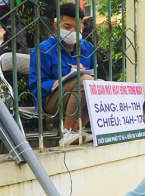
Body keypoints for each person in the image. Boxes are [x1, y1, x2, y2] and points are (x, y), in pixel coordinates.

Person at [29, 3, 94, 146]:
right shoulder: (43, 50)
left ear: (82, 26)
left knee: (97, 84)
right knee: (82, 80)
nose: (72, 32)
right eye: (67, 27)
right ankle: (68, 132)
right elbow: (37, 88)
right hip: (49, 100)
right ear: (56, 24)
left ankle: (79, 129)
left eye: (77, 28)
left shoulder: (87, 48)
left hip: (77, 96)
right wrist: (67, 79)